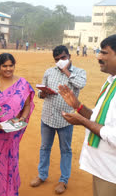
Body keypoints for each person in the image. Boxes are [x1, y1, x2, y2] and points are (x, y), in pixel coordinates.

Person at [58, 34, 116, 196]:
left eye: (103, 53)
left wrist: (82, 121)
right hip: (105, 169)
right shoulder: (114, 81)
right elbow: (101, 119)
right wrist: (78, 107)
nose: (98, 57)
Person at [30, 45, 86, 194]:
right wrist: (43, 93)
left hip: (66, 119)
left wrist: (66, 70)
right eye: (57, 59)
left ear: (69, 56)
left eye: (63, 58)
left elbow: (80, 84)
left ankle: (63, 180)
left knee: (66, 150)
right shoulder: (49, 72)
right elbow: (40, 92)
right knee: (44, 147)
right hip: (47, 117)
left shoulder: (79, 73)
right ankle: (42, 175)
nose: (60, 61)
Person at [0, 53, 35, 196]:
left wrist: (21, 119)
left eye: (11, 66)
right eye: (4, 66)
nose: (8, 69)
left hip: (12, 132)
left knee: (11, 161)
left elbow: (27, 106)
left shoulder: (22, 84)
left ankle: (9, 191)